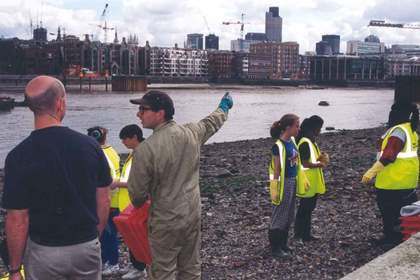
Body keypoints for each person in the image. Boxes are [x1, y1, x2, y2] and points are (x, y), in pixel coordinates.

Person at [2, 75, 111, 280]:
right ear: (60, 103)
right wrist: (94, 236)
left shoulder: (18, 156)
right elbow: (104, 199)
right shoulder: (90, 146)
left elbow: (17, 219)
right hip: (85, 246)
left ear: (31, 107)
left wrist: (15, 269)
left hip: (44, 251)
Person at [127, 90, 232, 280]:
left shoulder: (144, 150)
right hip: (192, 214)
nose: (138, 114)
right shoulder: (191, 132)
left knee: (162, 271)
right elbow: (211, 123)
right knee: (191, 268)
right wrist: (224, 107)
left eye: (143, 109)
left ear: (160, 113)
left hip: (165, 220)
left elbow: (137, 197)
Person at [362, 101, 419, 246]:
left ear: (397, 114)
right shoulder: (410, 130)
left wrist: (372, 171)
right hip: (407, 180)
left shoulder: (398, 131)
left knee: (389, 212)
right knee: (404, 211)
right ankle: (402, 237)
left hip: (392, 181)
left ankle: (391, 239)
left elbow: (389, 155)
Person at [268, 114, 308, 258]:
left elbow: (295, 162)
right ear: (287, 127)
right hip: (283, 183)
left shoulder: (292, 142)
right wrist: (275, 190)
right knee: (279, 215)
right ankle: (275, 248)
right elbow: (277, 170)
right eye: (296, 125)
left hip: (292, 181)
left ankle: (283, 244)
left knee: (289, 214)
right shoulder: (278, 146)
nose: (299, 128)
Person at [87, 126, 121, 276]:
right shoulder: (111, 150)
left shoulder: (100, 154)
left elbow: (108, 180)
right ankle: (109, 261)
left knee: (107, 234)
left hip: (107, 201)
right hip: (113, 200)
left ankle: (112, 263)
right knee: (109, 233)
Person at [117, 124, 147, 280]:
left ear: (134, 137)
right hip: (129, 204)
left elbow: (137, 182)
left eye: (125, 139)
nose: (123, 142)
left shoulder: (142, 154)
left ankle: (140, 268)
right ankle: (136, 265)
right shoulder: (135, 152)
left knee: (137, 237)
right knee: (131, 237)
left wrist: (116, 183)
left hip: (135, 204)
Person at [294, 115, 329, 242]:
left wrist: (320, 158)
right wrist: (320, 164)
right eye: (319, 128)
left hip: (312, 182)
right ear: (314, 128)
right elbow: (304, 163)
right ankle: (298, 235)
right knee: (304, 209)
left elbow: (310, 159)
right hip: (307, 181)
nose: (320, 131)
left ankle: (306, 234)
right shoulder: (305, 142)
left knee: (309, 209)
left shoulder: (310, 141)